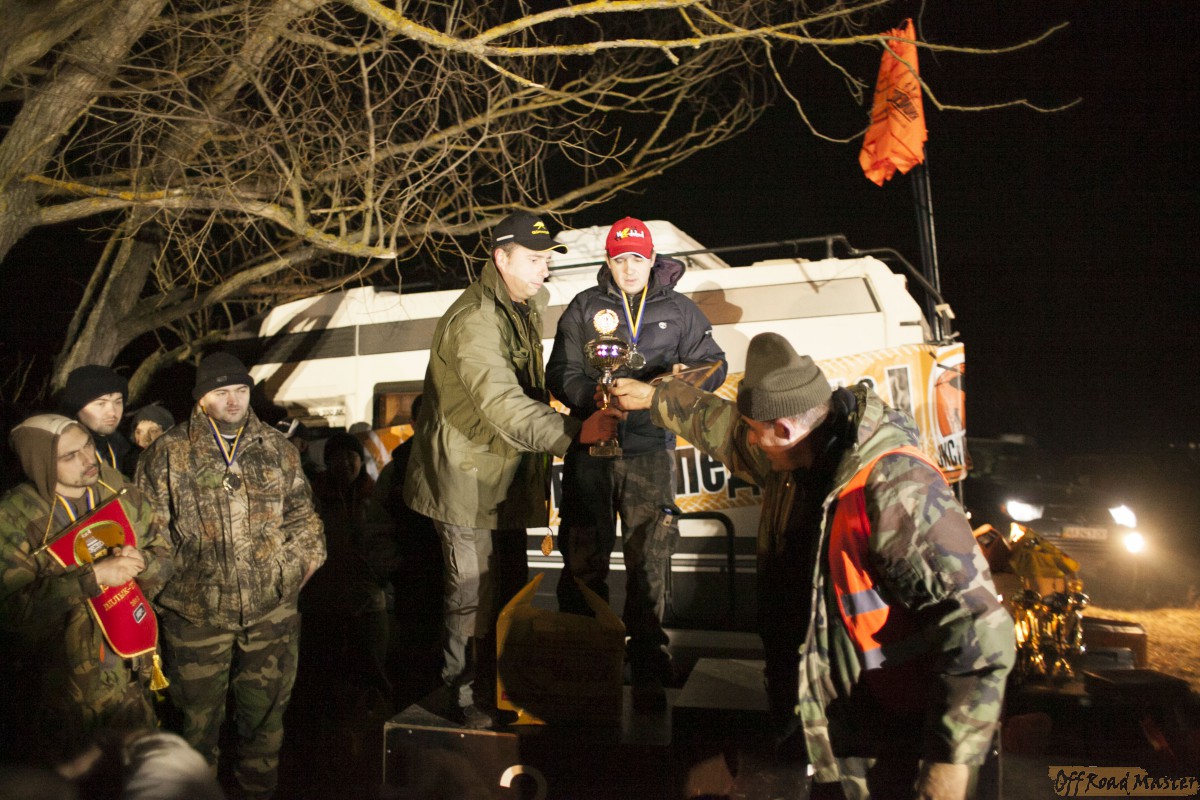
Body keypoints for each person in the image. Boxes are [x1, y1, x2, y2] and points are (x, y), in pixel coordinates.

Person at [610, 333, 1014, 800]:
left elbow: (978, 627)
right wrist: (656, 397)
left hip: (883, 748)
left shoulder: (896, 488)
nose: (748, 440)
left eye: (754, 430)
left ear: (783, 429)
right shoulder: (797, 453)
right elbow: (721, 427)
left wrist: (948, 769)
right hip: (823, 731)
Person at [403, 211, 621, 729]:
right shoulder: (477, 319)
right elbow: (501, 403)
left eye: (547, 259)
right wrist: (574, 433)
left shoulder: (519, 307)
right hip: (465, 480)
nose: (545, 269)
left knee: (507, 593)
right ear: (501, 258)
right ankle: (463, 697)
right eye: (534, 259)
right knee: (472, 595)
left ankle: (500, 688)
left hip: (501, 475)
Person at [545, 216, 726, 711]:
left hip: (650, 450)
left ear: (651, 261)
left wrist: (678, 384)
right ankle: (588, 654)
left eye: (638, 259)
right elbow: (560, 371)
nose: (629, 268)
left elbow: (715, 363)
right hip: (592, 448)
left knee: (651, 554)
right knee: (584, 554)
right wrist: (595, 397)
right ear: (609, 261)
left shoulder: (680, 310)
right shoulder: (584, 306)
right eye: (620, 259)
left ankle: (648, 654)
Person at [135, 352, 325, 800]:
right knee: (194, 730)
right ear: (201, 398)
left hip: (271, 614)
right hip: (195, 615)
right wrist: (164, 594)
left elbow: (304, 519)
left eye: (241, 390)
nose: (234, 401)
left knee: (264, 725)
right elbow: (148, 534)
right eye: (221, 392)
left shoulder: (276, 448)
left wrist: (295, 570)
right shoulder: (167, 453)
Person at [0, 414, 172, 763]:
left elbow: (164, 555)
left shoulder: (117, 488)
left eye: (88, 445)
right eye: (69, 456)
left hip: (134, 672)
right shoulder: (14, 518)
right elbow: (11, 617)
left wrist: (143, 564)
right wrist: (90, 578)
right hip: (66, 693)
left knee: (140, 771)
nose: (88, 459)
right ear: (40, 464)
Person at [300, 431, 392, 711]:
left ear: (360, 461)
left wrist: (381, 575)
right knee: (324, 668)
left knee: (372, 666)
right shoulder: (314, 496)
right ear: (328, 462)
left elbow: (387, 540)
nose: (345, 463)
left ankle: (371, 720)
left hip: (368, 597)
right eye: (337, 457)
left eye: (351, 456)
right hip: (323, 598)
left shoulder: (375, 495)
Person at [58, 365, 134, 475]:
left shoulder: (126, 450)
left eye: (118, 402)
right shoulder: (60, 453)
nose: (112, 412)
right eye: (101, 403)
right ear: (77, 408)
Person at [126, 403, 175, 476]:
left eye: (153, 431)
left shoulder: (178, 459)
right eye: (138, 432)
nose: (144, 440)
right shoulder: (129, 462)